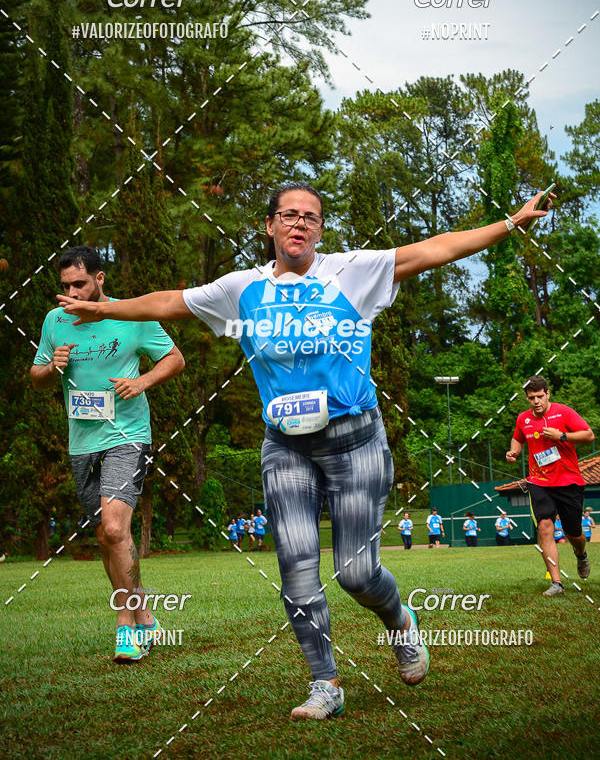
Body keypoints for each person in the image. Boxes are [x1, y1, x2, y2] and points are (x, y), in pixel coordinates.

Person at [57, 181, 552, 718]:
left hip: (355, 440)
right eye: (288, 215)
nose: (299, 224)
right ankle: (325, 684)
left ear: (320, 229)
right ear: (269, 226)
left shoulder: (350, 272)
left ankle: (400, 623)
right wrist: (107, 310)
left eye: (311, 217)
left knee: (358, 574)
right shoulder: (240, 288)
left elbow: (436, 249)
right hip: (285, 449)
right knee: (295, 569)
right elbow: (171, 302)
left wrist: (511, 223)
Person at [31, 246, 185, 662]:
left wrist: (142, 382)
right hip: (82, 443)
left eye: (79, 284)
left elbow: (175, 358)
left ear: (100, 279)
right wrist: (52, 368)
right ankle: (146, 618)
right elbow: (37, 376)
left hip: (127, 435)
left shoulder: (131, 315)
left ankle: (124, 629)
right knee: (104, 536)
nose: (71, 293)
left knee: (116, 530)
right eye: (65, 286)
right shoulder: (54, 322)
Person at [506, 375, 593, 596]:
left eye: (539, 396)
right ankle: (557, 583)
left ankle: (581, 553)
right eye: (531, 397)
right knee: (545, 527)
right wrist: (514, 451)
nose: (535, 401)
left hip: (568, 481)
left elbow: (589, 435)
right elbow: (518, 438)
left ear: (548, 394)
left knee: (573, 533)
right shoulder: (523, 419)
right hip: (539, 481)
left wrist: (561, 436)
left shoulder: (564, 412)